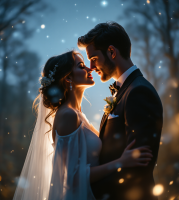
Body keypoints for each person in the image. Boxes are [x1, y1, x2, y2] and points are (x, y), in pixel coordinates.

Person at [13, 50, 153, 200]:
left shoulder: (77, 114)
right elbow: (72, 178)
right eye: (81, 66)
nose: (89, 68)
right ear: (67, 78)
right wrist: (121, 162)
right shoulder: (68, 115)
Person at [77, 22, 163, 200]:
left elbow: (139, 165)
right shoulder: (125, 90)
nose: (91, 67)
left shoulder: (139, 92)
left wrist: (90, 190)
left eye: (93, 59)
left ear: (112, 52)